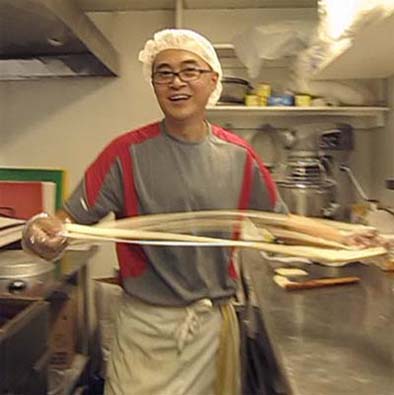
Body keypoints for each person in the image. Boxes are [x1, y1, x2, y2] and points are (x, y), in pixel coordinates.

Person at [24, 28, 378, 395]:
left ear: (213, 81)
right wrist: (42, 234)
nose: (176, 82)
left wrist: (345, 237)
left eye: (189, 70)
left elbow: (281, 224)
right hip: (145, 331)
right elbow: (66, 224)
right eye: (164, 72)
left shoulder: (238, 157)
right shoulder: (125, 154)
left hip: (212, 328)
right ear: (155, 83)